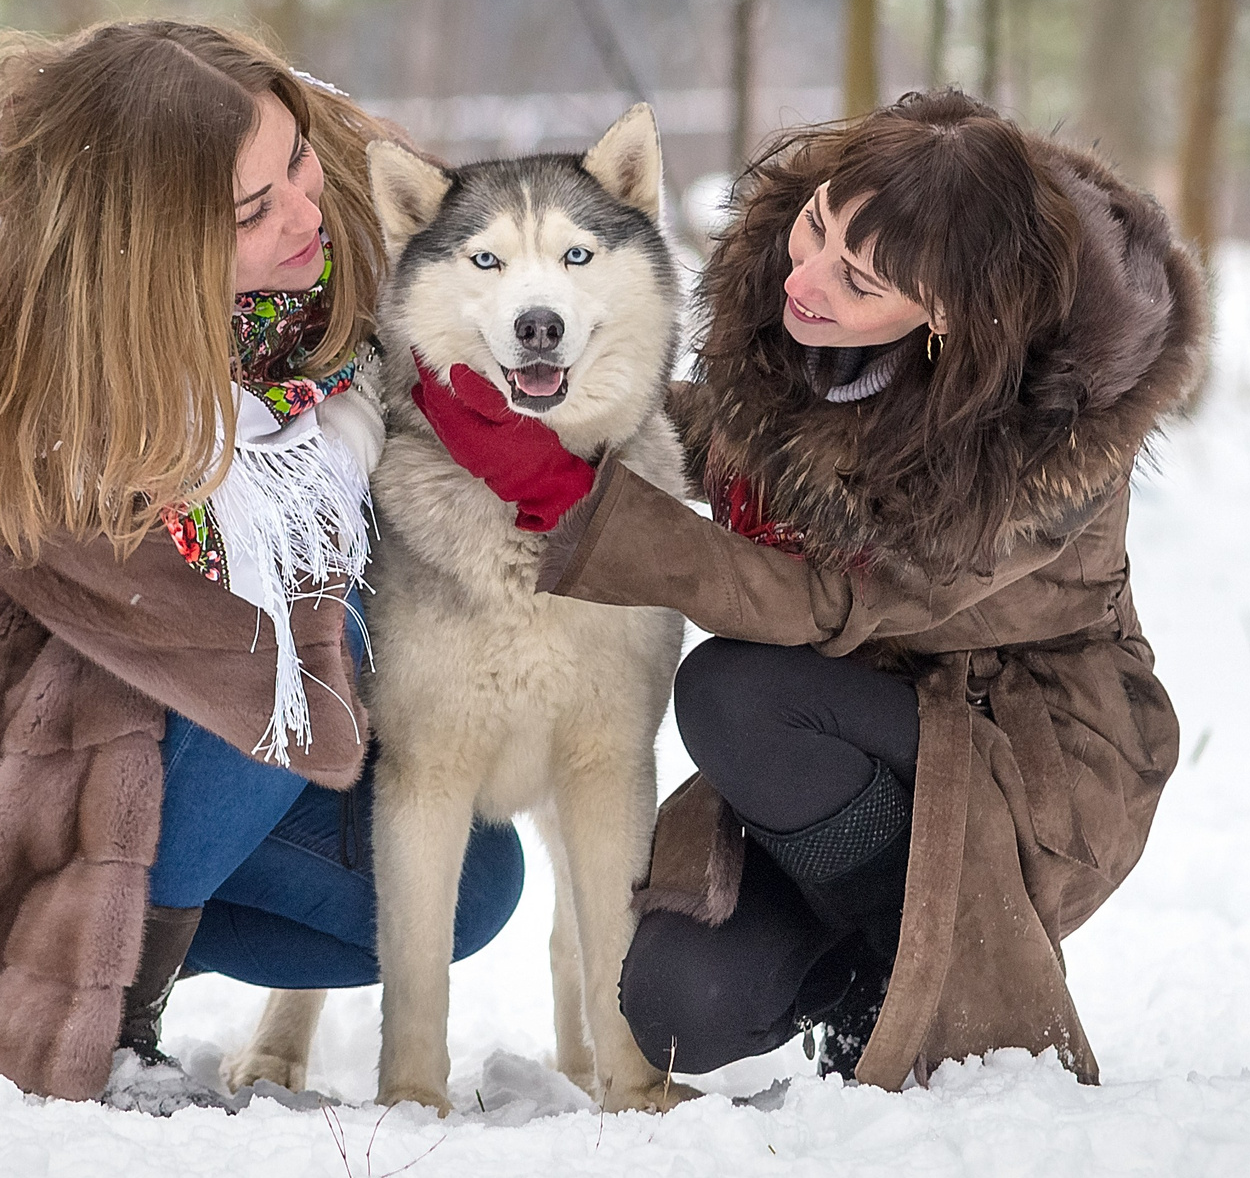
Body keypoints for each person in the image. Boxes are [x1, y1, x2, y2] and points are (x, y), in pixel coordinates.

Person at [0, 20, 522, 1110]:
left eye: (297, 161)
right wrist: (355, 429)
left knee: (464, 887)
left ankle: (121, 912)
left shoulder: (298, 169)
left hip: (101, 652)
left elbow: (501, 307)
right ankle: (89, 1005)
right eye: (251, 213)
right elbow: (225, 598)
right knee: (285, 635)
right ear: (145, 246)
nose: (305, 214)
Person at [419, 88, 1205, 1089]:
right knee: (675, 1010)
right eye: (818, 226)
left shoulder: (1044, 432)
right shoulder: (805, 306)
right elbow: (740, 445)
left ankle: (910, 981)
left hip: (1019, 755)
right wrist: (570, 414)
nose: (807, 277)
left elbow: (823, 599)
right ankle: (869, 960)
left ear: (946, 315)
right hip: (830, 745)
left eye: (857, 278)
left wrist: (573, 497)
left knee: (732, 689)